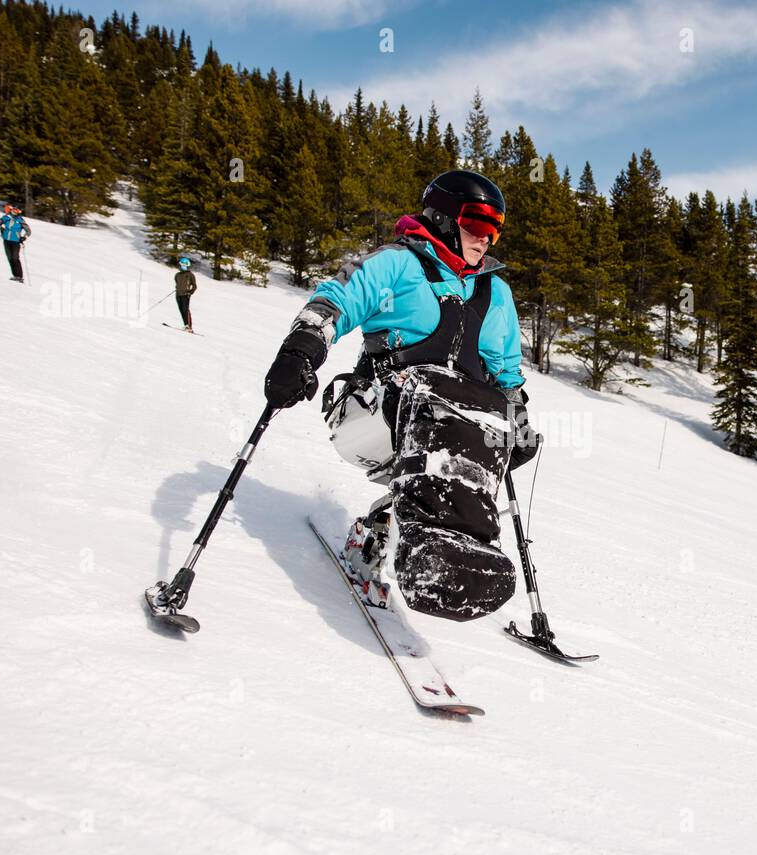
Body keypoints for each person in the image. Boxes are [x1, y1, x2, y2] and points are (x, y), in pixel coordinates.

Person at [263, 169, 539, 621]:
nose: (487, 239)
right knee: (437, 392)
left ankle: (463, 550)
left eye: (495, 231)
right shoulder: (397, 264)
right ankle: (427, 542)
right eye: (478, 224)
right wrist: (301, 350)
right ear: (445, 216)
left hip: (447, 427)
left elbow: (506, 375)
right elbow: (336, 299)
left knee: (487, 410)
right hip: (374, 411)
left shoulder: (494, 291)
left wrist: (517, 423)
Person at [0, 204, 30, 282]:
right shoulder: (6, 218)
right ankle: (15, 276)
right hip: (6, 240)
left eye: (17, 210)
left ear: (19, 212)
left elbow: (28, 231)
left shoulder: (20, 220)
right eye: (14, 209)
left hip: (15, 241)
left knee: (15, 258)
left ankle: (20, 277)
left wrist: (24, 237)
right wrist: (1, 228)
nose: (15, 211)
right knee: (10, 258)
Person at [174, 257, 197, 332]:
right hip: (178, 294)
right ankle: (186, 325)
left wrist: (190, 292)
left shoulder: (190, 275)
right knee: (181, 310)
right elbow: (177, 283)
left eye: (184, 266)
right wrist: (177, 288)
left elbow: (194, 285)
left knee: (185, 310)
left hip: (185, 295)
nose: (182, 267)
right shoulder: (177, 275)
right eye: (181, 265)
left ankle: (189, 327)